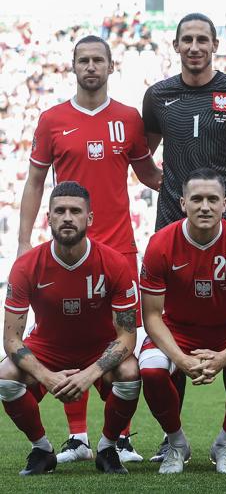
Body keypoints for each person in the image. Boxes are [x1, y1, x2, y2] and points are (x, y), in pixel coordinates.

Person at [18, 35, 161, 464]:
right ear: (73, 66)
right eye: (84, 60)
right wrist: (24, 241)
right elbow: (35, 182)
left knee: (120, 343)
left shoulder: (129, 119)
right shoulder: (52, 119)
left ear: (111, 66)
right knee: (67, 336)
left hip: (119, 250)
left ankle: (119, 439)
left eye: (99, 60)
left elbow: (151, 175)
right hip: (68, 251)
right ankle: (77, 437)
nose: (91, 67)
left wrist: (198, 187)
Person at [141, 12, 226, 461]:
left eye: (202, 39)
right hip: (172, 217)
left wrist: (217, 183)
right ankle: (172, 436)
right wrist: (172, 186)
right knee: (173, 321)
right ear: (176, 46)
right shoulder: (158, 95)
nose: (194, 47)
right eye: (186, 39)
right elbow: (143, 153)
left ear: (214, 45)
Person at [1, 181, 141, 475]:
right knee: (5, 376)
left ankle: (107, 448)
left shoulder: (114, 263)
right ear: (48, 218)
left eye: (75, 211)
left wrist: (90, 374)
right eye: (60, 211)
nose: (67, 217)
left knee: (130, 372)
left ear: (89, 218)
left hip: (98, 349)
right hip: (48, 350)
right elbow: (12, 339)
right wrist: (47, 377)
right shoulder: (26, 266)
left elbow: (128, 336)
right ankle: (42, 450)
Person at [138, 168, 226, 475]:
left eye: (212, 199)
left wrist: (224, 357)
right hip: (178, 331)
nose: (205, 207)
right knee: (151, 368)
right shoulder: (160, 244)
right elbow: (152, 316)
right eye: (197, 199)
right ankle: (176, 443)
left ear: (225, 203)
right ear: (183, 203)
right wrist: (181, 359)